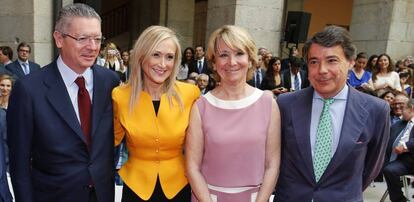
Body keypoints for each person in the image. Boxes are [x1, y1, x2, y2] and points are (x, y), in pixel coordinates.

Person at [7, 3, 120, 202]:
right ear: (59, 39)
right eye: (83, 38)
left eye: (97, 39)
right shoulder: (29, 89)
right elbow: (19, 163)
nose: (92, 47)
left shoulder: (110, 82)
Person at [275, 25, 390, 202]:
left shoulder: (375, 110)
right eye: (314, 62)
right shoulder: (285, 104)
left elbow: (372, 166)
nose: (321, 70)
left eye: (332, 60)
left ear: (351, 62)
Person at [186, 25, 280, 202]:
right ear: (214, 63)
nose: (232, 62)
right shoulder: (201, 107)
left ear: (251, 59)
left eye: (239, 53)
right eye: (223, 55)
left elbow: (272, 165)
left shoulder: (268, 103)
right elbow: (192, 167)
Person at [112, 25, 200, 202]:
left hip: (179, 187)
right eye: (156, 55)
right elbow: (108, 143)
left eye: (169, 57)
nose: (163, 64)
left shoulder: (190, 94)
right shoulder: (121, 97)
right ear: (142, 56)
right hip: (136, 188)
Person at [383, 98, 414, 202]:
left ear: (411, 109)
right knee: (389, 170)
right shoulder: (399, 123)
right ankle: (399, 199)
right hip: (404, 161)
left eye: (403, 108)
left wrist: (405, 146)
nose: (401, 113)